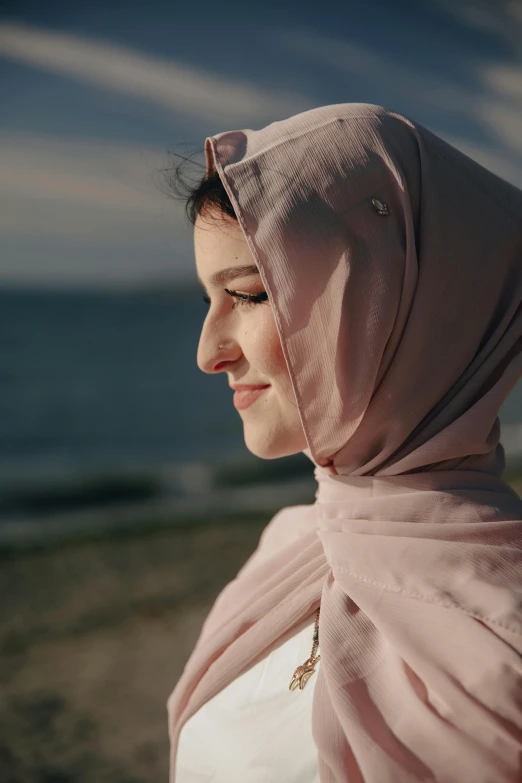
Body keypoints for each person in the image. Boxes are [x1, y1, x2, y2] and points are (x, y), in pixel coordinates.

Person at [166, 103, 522, 782]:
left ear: (392, 308)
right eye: (206, 299)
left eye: (248, 294)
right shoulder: (286, 548)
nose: (208, 351)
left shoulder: (506, 643)